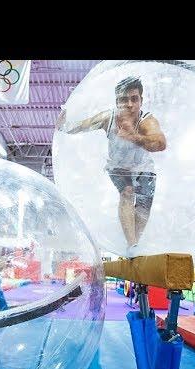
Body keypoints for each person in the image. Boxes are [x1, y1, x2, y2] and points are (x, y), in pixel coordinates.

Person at [56, 76, 167, 257]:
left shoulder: (147, 121)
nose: (130, 104)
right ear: (117, 102)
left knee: (144, 206)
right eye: (124, 100)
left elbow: (160, 143)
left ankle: (135, 244)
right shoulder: (108, 118)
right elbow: (80, 126)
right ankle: (132, 244)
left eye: (134, 99)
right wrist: (64, 126)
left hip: (144, 168)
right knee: (127, 192)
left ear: (141, 100)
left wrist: (134, 137)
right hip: (118, 167)